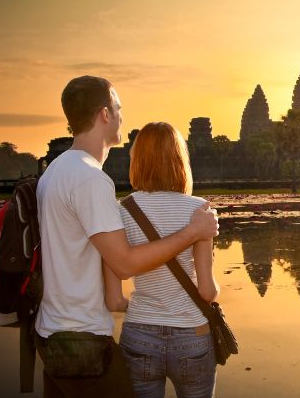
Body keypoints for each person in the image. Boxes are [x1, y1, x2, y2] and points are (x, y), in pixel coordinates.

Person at [36, 76, 219, 398]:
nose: (122, 116)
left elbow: (113, 287)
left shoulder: (57, 169)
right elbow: (123, 263)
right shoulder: (89, 178)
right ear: (105, 114)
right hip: (83, 338)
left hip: (58, 330)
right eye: (118, 108)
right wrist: (192, 232)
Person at [104, 122, 220, 398]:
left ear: (138, 161)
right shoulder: (199, 211)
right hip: (191, 336)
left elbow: (113, 301)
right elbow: (207, 292)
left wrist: (147, 310)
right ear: (180, 161)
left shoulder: (121, 211)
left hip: (139, 337)